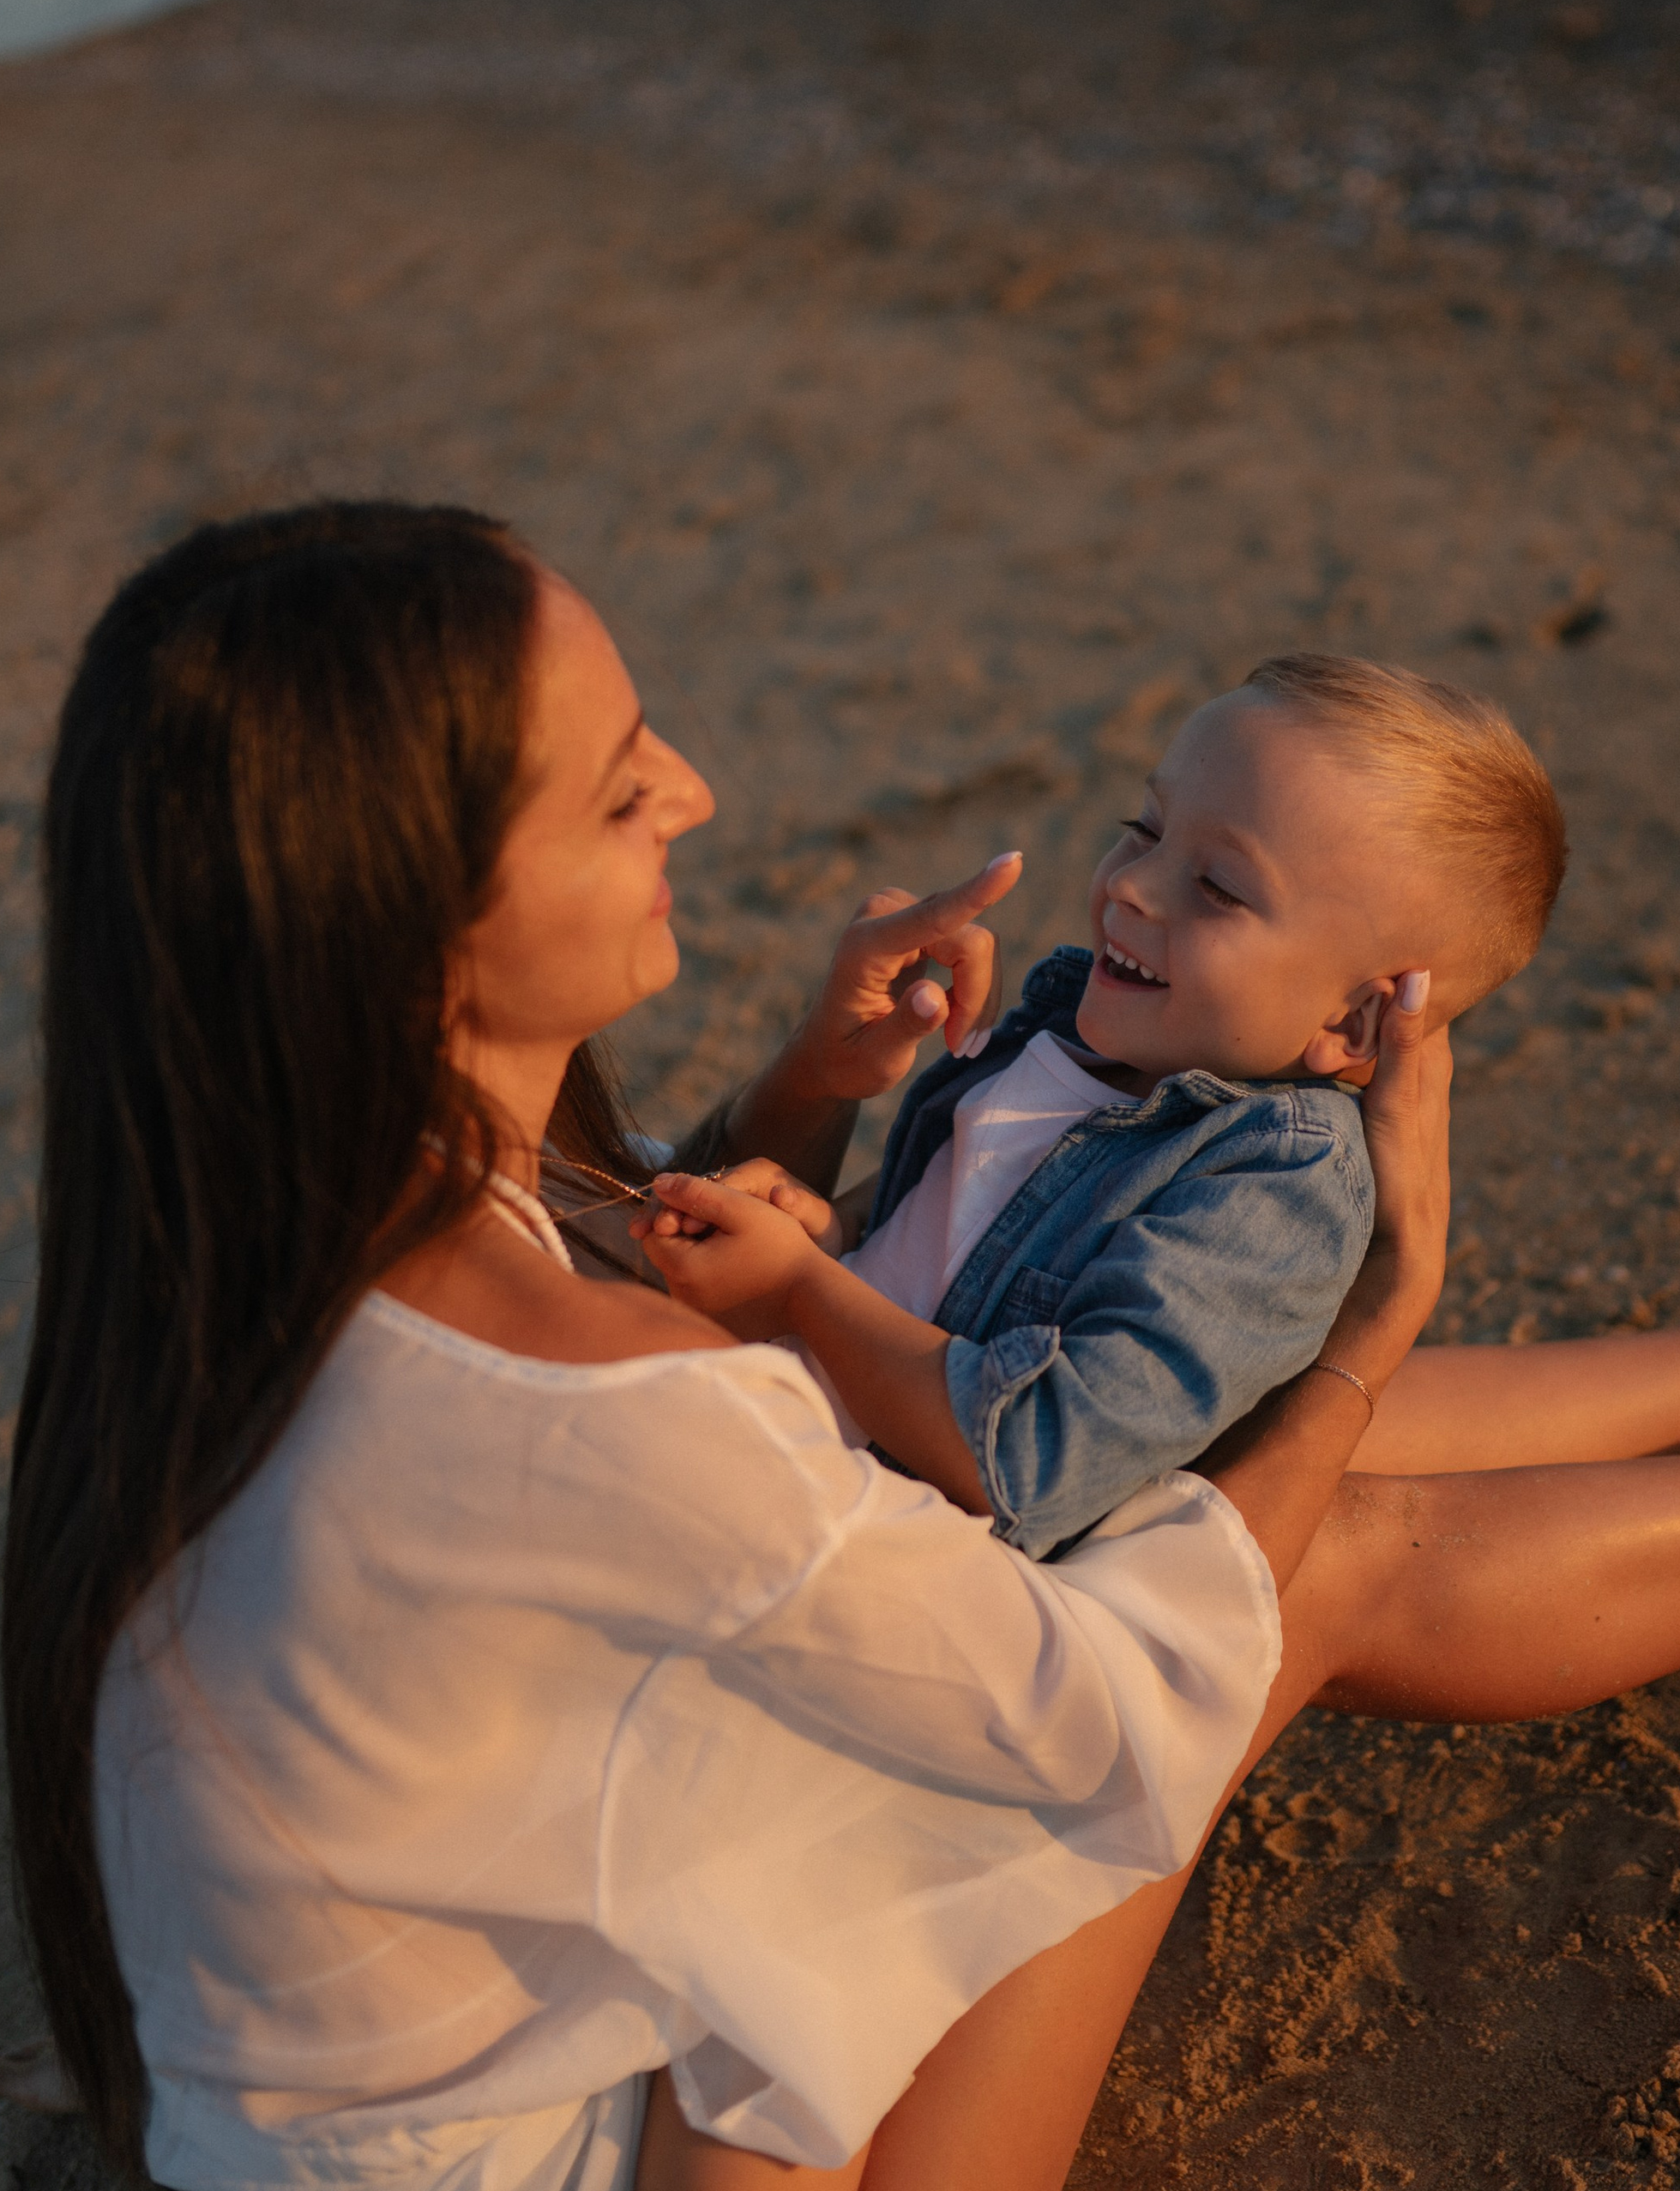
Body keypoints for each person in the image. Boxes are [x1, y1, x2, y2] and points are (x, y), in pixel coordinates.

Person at [0, 501, 1680, 2191]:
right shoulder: (613, 1413)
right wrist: (1372, 1322)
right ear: (409, 915)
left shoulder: (255, 1212)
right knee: (1291, 1544)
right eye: (616, 787)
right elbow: (1102, 1701)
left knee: (1207, 1438)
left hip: (495, 2139)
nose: (689, 788)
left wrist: (814, 1082)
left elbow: (633, 1266)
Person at [629, 654, 1565, 1556]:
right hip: (756, 1443)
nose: (1129, 883)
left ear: (1355, 1020)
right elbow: (951, 1240)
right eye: (1145, 829)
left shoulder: (1276, 1179)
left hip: (870, 1552)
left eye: (1216, 887)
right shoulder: (1071, 1031)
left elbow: (1036, 1457)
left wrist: (803, 1289)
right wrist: (832, 1234)